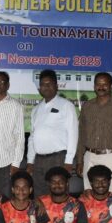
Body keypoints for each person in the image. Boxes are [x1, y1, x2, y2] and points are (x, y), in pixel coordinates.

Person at [76, 72, 112, 194]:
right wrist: (80, 160)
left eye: (104, 84)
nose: (101, 87)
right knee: (89, 194)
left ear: (111, 86)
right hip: (89, 156)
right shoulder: (87, 106)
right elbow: (81, 135)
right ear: (94, 86)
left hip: (111, 157)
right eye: (98, 84)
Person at [26, 69, 78, 197]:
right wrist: (30, 161)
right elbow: (32, 137)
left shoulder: (66, 105)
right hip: (39, 160)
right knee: (39, 196)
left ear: (56, 86)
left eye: (49, 84)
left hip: (58, 159)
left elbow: (73, 133)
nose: (46, 87)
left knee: (59, 196)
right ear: (39, 87)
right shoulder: (36, 109)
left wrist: (69, 161)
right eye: (43, 84)